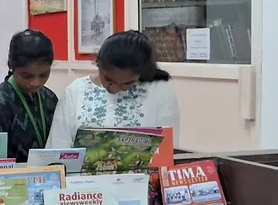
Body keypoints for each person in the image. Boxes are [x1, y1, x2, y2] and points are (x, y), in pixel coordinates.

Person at [46, 30, 180, 148]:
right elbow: (57, 148)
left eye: (127, 83)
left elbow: (167, 149)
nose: (115, 89)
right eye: (108, 80)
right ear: (98, 64)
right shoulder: (76, 91)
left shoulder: (159, 91)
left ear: (142, 74)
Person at [0, 30, 59, 162]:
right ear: (11, 67)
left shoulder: (50, 98)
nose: (35, 83)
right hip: (11, 180)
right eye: (26, 76)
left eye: (44, 75)